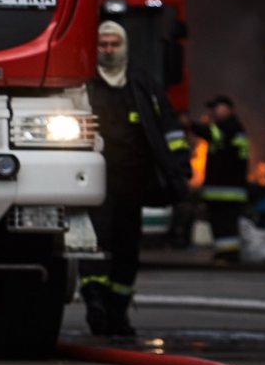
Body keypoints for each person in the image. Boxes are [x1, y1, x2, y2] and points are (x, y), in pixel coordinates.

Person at [80, 20, 191, 336]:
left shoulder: (143, 85)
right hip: (93, 185)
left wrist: (178, 167)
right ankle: (95, 303)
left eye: (114, 44)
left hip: (133, 185)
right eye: (103, 44)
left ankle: (118, 314)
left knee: (127, 250)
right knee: (94, 246)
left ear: (124, 46)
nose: (109, 50)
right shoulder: (82, 83)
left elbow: (169, 129)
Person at [190, 95, 251, 265]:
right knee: (220, 224)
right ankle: (223, 254)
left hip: (227, 189)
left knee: (226, 225)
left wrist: (190, 125)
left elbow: (211, 133)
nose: (214, 111)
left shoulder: (231, 127)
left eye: (218, 107)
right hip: (224, 190)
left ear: (230, 109)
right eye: (213, 107)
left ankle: (229, 256)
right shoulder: (229, 128)